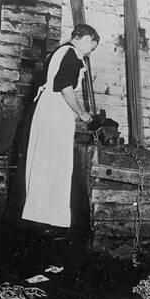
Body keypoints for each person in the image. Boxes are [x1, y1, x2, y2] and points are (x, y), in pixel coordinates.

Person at [21, 24, 99, 230]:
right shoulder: (72, 55)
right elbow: (65, 88)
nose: (91, 51)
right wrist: (81, 112)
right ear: (85, 39)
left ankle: (39, 213)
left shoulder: (59, 51)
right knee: (56, 164)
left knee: (43, 162)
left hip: (46, 110)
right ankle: (50, 217)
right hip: (56, 112)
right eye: (92, 46)